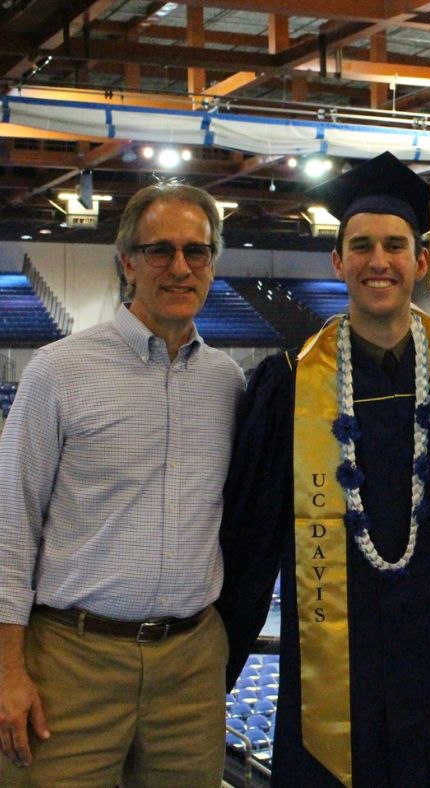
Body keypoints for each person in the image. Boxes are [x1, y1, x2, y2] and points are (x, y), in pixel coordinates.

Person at [217, 151, 430, 786]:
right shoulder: (292, 381)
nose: (378, 261)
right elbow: (249, 534)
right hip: (336, 660)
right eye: (361, 246)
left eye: (395, 245)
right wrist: (217, 660)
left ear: (421, 260)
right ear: (338, 262)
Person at [0, 182, 245, 786]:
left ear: (213, 263)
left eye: (197, 251)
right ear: (127, 262)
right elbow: (12, 521)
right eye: (160, 250)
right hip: (71, 663)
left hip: (190, 667)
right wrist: (7, 669)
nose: (180, 267)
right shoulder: (60, 370)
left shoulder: (228, 382)